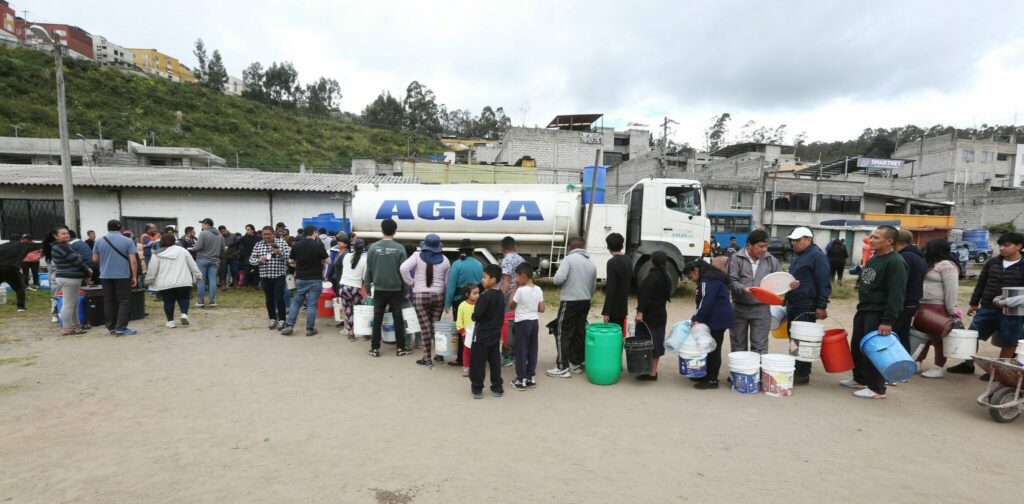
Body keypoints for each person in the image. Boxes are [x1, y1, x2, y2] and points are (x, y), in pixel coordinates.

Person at [841, 225, 908, 399]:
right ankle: (861, 379)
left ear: (889, 241)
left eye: (876, 238)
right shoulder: (875, 258)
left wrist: (887, 320)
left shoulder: (895, 262)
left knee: (875, 350)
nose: (871, 240)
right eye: (871, 237)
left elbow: (896, 294)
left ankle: (877, 388)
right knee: (858, 347)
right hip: (864, 309)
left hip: (878, 313)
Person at [951, 232, 1024, 377]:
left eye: (1007, 245)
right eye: (1000, 245)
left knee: (1009, 341)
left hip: (1013, 310)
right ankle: (968, 364)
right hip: (988, 306)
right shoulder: (992, 262)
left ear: (1019, 246)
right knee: (972, 335)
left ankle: (999, 372)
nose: (1002, 248)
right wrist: (973, 303)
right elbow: (981, 283)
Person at [784, 227, 831, 384]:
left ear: (808, 240)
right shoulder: (798, 255)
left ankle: (803, 372)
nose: (793, 243)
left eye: (798, 240)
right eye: (792, 240)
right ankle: (796, 366)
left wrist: (821, 305)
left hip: (807, 304)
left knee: (803, 338)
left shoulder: (817, 256)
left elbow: (824, 282)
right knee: (793, 337)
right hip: (794, 302)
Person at [547, 237, 597, 378]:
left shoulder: (568, 260)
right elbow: (593, 287)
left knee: (563, 331)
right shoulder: (591, 264)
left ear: (570, 247)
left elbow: (558, 279)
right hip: (585, 301)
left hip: (570, 301)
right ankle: (575, 363)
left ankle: (562, 367)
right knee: (579, 332)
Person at [727, 229, 782, 354]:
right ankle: (740, 373)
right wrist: (742, 288)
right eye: (761, 246)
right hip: (739, 308)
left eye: (766, 246)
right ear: (750, 245)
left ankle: (758, 373)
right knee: (738, 345)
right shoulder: (736, 258)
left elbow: (780, 278)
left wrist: (789, 284)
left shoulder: (771, 260)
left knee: (760, 346)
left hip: (761, 309)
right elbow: (731, 280)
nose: (764, 250)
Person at [401, 234, 451, 366]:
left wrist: (411, 282)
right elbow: (447, 282)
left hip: (420, 296)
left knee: (425, 327)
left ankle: (427, 358)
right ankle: (439, 355)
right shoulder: (445, 260)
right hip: (438, 296)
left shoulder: (417, 256)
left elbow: (403, 268)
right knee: (435, 326)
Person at [915, 239, 962, 379]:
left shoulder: (948, 266)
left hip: (938, 306)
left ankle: (938, 367)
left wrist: (951, 309)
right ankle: (917, 361)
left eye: (928, 248)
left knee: (938, 338)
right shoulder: (930, 264)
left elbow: (952, 289)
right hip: (923, 305)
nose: (925, 249)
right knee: (921, 336)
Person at [683, 260, 734, 389]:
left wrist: (696, 318)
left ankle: (712, 380)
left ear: (696, 270)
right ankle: (707, 375)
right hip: (718, 318)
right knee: (711, 347)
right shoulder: (713, 277)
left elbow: (706, 301)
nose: (692, 280)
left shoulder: (707, 280)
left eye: (690, 277)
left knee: (713, 349)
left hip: (716, 319)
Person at [364, 218, 411, 358]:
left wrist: (367, 287)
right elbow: (404, 271)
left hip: (379, 289)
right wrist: (406, 290)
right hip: (396, 290)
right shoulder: (400, 248)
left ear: (381, 229)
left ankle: (375, 348)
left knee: (377, 318)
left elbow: (369, 270)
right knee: (398, 318)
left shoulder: (373, 248)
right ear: (395, 231)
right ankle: (400, 348)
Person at [92, 220, 139, 336]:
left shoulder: (98, 240)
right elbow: (133, 260)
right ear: (121, 228)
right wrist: (134, 276)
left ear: (107, 228)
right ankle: (121, 326)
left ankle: (111, 326)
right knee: (124, 301)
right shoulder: (128, 241)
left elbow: (95, 260)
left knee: (108, 301)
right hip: (122, 275)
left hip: (105, 275)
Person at [281, 226, 329, 336]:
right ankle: (309, 329)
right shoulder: (318, 245)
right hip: (315, 279)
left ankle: (289, 326)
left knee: (296, 302)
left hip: (301, 278)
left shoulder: (297, 245)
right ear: (314, 233)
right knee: (311, 304)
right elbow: (328, 261)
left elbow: (290, 260)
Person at [147, 231, 201, 328]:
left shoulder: (156, 254)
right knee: (184, 299)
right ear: (174, 240)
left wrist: (149, 280)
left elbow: (152, 269)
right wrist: (198, 275)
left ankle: (170, 322)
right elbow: (192, 264)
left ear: (161, 242)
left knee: (168, 302)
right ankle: (184, 314)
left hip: (165, 283)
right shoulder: (183, 250)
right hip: (183, 281)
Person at [444, 239, 484, 368]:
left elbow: (451, 287)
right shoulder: (479, 264)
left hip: (460, 301)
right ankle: (477, 356)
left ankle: (461, 358)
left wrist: (447, 304)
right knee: (476, 328)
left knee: (461, 328)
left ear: (461, 252)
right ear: (472, 251)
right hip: (477, 300)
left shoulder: (456, 264)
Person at [635, 251, 673, 381]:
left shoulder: (652, 277)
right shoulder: (666, 277)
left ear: (652, 261)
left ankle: (645, 371)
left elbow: (645, 297)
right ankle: (653, 372)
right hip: (661, 314)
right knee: (656, 343)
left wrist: (640, 312)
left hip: (649, 316)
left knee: (645, 343)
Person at [47, 226, 92, 335]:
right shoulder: (62, 247)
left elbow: (76, 259)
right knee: (68, 304)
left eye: (67, 233)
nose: (66, 235)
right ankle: (67, 328)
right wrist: (87, 270)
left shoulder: (62, 246)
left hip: (67, 277)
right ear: (56, 236)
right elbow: (76, 260)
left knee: (74, 303)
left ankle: (76, 326)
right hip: (70, 278)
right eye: (63, 233)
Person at [470, 264, 505, 399]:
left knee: (478, 361)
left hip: (482, 333)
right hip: (496, 333)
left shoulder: (485, 296)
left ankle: (477, 388)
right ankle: (497, 387)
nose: (482, 280)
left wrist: (475, 315)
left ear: (493, 280)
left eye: (484, 277)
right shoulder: (501, 295)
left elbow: (476, 315)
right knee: (495, 361)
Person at [509, 263, 544, 391]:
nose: (517, 279)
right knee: (532, 349)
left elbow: (511, 305)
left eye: (517, 277)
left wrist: (514, 289)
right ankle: (530, 377)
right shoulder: (539, 289)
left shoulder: (520, 290)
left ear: (523, 276)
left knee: (521, 350)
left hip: (522, 322)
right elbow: (542, 309)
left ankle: (520, 379)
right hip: (534, 321)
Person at [250, 226, 290, 330]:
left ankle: (282, 320)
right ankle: (272, 319)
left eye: (268, 234)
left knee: (279, 297)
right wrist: (259, 260)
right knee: (269, 299)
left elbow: (289, 258)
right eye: (264, 234)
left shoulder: (281, 243)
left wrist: (280, 253)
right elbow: (251, 260)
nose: (266, 236)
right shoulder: (258, 245)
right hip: (264, 276)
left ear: (273, 234)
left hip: (279, 275)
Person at [893, 230, 927, 353]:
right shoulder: (918, 255)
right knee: (903, 334)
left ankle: (895, 363)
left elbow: (899, 282)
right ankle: (905, 363)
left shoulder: (905, 257)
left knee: (893, 334)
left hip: (904, 301)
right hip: (912, 301)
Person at [499, 236, 526, 367]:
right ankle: (516, 354)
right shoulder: (521, 259)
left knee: (506, 327)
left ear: (503, 248)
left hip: (509, 297)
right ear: (514, 246)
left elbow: (506, 282)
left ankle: (506, 356)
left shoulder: (506, 260)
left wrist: (499, 298)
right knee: (517, 325)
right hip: (521, 296)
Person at [0, 233, 41, 312]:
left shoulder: (2, 246)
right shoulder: (22, 245)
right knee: (19, 288)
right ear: (20, 239)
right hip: (10, 268)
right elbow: (37, 245)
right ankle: (21, 307)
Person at [337, 239, 367, 340]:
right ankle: (363, 332)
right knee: (359, 311)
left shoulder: (346, 256)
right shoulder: (364, 260)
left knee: (348, 310)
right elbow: (364, 278)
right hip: (355, 288)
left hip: (343, 286)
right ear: (363, 248)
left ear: (353, 247)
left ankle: (351, 333)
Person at [601, 232, 631, 330]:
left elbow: (611, 287)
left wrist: (606, 312)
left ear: (608, 247)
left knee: (611, 336)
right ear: (622, 245)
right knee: (619, 334)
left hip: (613, 309)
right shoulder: (628, 260)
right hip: (623, 306)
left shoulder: (612, 262)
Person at [194, 218, 224, 308]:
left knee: (201, 280)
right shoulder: (220, 235)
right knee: (213, 281)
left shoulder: (203, 233)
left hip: (202, 259)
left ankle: (200, 302)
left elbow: (198, 247)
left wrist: (193, 248)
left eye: (202, 224)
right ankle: (212, 301)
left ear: (206, 224)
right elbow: (223, 248)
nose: (202, 225)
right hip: (214, 260)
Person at [456, 284, 479, 377]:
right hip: (467, 333)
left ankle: (475, 367)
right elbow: (459, 321)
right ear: (467, 294)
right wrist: (463, 332)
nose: (477, 295)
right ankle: (466, 367)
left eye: (478, 293)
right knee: (467, 351)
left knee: (477, 350)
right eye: (474, 293)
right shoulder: (462, 305)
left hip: (478, 332)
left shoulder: (480, 304)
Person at [239, 224, 260, 288]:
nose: (247, 231)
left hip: (256, 256)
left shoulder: (258, 238)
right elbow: (236, 243)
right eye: (246, 229)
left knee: (256, 270)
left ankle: (255, 284)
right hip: (247, 256)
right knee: (247, 270)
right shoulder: (244, 238)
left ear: (253, 230)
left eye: (248, 229)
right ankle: (246, 284)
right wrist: (228, 246)